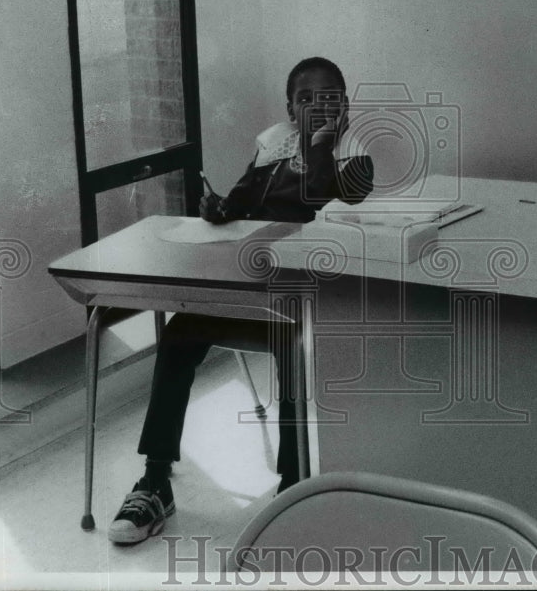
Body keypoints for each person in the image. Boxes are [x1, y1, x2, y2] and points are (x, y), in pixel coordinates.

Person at [109, 57, 374, 544]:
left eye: (330, 97)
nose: (318, 106)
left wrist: (320, 146)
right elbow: (241, 202)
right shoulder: (273, 144)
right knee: (179, 334)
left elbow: (321, 200)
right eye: (306, 98)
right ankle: (155, 478)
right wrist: (219, 209)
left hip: (309, 299)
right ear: (290, 109)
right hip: (248, 286)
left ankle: (293, 487)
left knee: (294, 348)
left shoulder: (354, 155)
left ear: (346, 106)